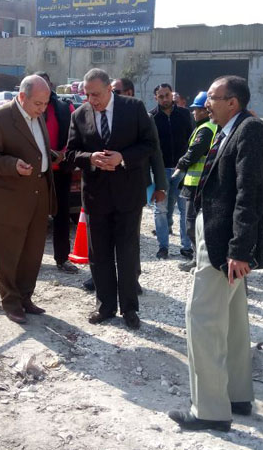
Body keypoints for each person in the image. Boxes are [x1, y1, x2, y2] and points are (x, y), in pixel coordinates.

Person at [169, 76, 263, 432]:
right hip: (218, 236)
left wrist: (239, 250)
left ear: (233, 102)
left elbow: (250, 194)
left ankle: (210, 411)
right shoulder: (227, 130)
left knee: (201, 318)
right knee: (232, 320)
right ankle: (236, 395)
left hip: (224, 244)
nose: (205, 104)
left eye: (213, 98)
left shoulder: (250, 131)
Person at [66, 69, 158, 330]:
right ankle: (105, 306)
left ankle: (129, 308)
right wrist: (91, 158)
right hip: (96, 197)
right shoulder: (79, 115)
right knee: (99, 255)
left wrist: (123, 158)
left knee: (127, 254)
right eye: (87, 95)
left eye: (96, 94)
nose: (92, 100)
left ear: (109, 89)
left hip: (128, 195)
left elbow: (150, 144)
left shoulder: (133, 108)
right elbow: (71, 153)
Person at [0, 75, 57, 324]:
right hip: (7, 198)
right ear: (22, 97)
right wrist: (12, 165)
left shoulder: (37, 115)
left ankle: (25, 297)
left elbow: (34, 148)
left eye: (45, 103)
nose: (42, 109)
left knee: (33, 252)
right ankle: (11, 302)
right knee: (8, 253)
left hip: (37, 193)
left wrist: (51, 157)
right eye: (38, 103)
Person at [36, 72, 79, 274]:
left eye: (45, 83)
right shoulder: (26, 108)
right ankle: (31, 258)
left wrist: (63, 153)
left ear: (50, 84)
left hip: (60, 170)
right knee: (34, 217)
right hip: (35, 172)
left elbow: (75, 135)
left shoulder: (64, 107)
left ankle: (62, 258)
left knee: (62, 216)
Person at [172, 92, 217, 272]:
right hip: (200, 183)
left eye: (196, 109)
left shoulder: (206, 129)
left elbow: (194, 153)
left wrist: (180, 164)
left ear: (205, 110)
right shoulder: (210, 127)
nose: (193, 113)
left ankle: (199, 260)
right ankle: (199, 259)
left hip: (196, 184)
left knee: (192, 225)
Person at [149, 83, 194, 260]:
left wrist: (187, 164)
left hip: (182, 170)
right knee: (160, 209)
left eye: (167, 95)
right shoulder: (151, 117)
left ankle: (186, 247)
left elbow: (192, 140)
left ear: (172, 94)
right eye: (161, 96)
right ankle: (163, 247)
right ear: (156, 98)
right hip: (160, 171)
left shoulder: (184, 114)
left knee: (184, 209)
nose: (165, 99)